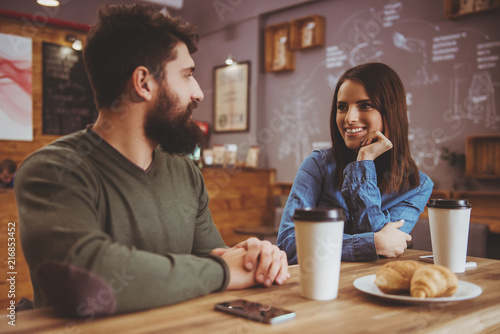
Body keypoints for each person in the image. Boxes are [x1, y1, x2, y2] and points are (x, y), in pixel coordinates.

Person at [15, 4, 288, 316]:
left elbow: (215, 256)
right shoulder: (52, 171)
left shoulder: (185, 171)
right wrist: (223, 271)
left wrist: (255, 257)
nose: (198, 93)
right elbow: (84, 283)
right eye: (187, 76)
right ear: (143, 83)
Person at [277, 62, 433, 263]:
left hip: (373, 287)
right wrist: (372, 244)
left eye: (365, 105)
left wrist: (364, 163)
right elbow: (289, 245)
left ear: (391, 112)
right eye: (342, 107)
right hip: (315, 288)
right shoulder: (317, 165)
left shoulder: (417, 186)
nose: (349, 118)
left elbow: (382, 247)